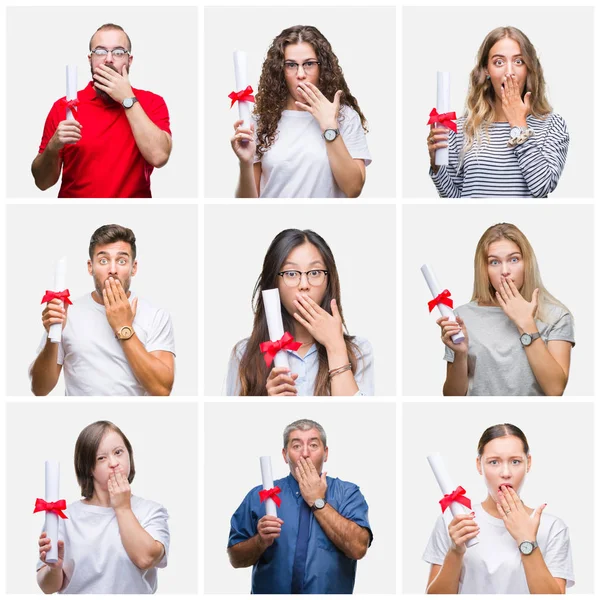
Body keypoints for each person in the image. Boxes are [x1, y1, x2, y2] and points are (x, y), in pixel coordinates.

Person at [424, 423, 574, 593]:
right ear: (479, 464)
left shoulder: (553, 528)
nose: (505, 473)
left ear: (528, 463)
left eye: (515, 461)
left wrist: (526, 540)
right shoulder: (456, 522)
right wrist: (455, 551)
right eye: (494, 462)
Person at [228, 419, 372, 593]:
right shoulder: (261, 496)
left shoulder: (348, 494)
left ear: (325, 453)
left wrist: (317, 501)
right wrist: (260, 541)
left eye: (313, 445)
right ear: (285, 455)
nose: (305, 453)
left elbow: (358, 549)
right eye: (296, 446)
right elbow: (235, 558)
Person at [30, 224, 175, 396]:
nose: (112, 270)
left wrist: (123, 328)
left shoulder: (156, 316)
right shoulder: (68, 313)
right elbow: (39, 389)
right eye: (103, 261)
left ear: (133, 268)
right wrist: (51, 336)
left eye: (121, 261)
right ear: (90, 267)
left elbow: (162, 390)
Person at [225, 229, 373, 396]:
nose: (304, 284)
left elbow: (357, 419)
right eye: (291, 273)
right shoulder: (244, 355)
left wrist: (335, 348)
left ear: (329, 281)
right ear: (274, 283)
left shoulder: (359, 351)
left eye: (315, 273)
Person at [32, 23, 172, 198]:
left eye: (119, 52)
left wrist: (127, 99)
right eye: (100, 51)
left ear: (129, 60)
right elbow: (42, 183)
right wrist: (52, 147)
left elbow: (159, 157)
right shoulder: (64, 106)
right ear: (90, 59)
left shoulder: (152, 103)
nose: (108, 59)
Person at [230, 25, 371, 198]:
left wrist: (329, 127)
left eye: (309, 64)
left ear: (322, 67)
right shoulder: (261, 121)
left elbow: (353, 188)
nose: (301, 74)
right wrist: (245, 163)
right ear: (281, 70)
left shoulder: (345, 117)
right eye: (291, 65)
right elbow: (248, 204)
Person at [427, 26, 569, 198]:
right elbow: (454, 200)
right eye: (499, 62)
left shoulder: (552, 125)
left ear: (529, 68)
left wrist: (518, 124)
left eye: (518, 61)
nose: (509, 72)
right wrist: (437, 165)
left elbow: (542, 187)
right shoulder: (460, 129)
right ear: (486, 70)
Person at [437, 223, 573, 396]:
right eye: (494, 262)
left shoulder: (557, 316)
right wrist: (460, 354)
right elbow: (452, 397)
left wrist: (526, 324)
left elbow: (555, 390)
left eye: (514, 259)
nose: (505, 271)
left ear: (527, 263)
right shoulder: (461, 317)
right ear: (484, 270)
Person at [37, 421, 169, 594]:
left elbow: (146, 558)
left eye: (118, 452)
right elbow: (48, 588)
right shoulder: (63, 516)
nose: (114, 463)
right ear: (88, 468)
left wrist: (122, 507)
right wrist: (53, 568)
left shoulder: (151, 511)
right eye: (101, 458)